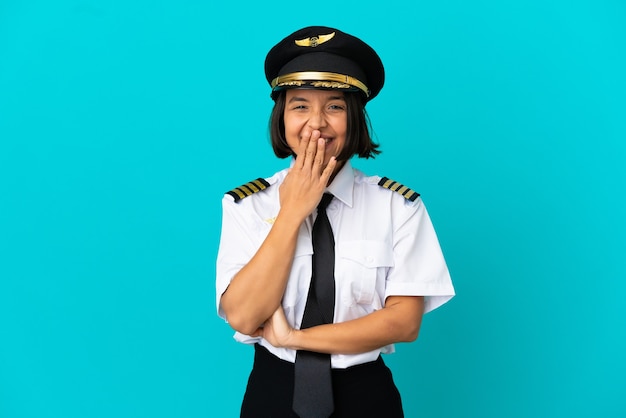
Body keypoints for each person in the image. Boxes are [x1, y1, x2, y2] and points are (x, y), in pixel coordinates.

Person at [216, 26, 455, 418]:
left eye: (334, 106)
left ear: (354, 117)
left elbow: (403, 322)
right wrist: (292, 212)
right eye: (300, 105)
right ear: (282, 117)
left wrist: (295, 337)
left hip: (365, 395)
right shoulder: (246, 205)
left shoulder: (399, 206)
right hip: (272, 392)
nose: (316, 123)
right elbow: (243, 315)